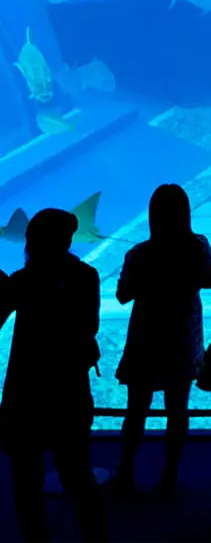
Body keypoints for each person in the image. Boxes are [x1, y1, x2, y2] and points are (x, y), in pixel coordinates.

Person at [0, 207, 108, 541]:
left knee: (26, 482)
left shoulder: (22, 281)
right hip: (70, 392)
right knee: (77, 475)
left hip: (26, 396)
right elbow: (90, 328)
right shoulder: (86, 277)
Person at [112, 182, 211, 498]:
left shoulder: (139, 254)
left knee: (136, 410)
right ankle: (170, 474)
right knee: (177, 409)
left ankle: (126, 470)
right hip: (182, 340)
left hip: (146, 338)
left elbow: (122, 295)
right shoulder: (197, 247)